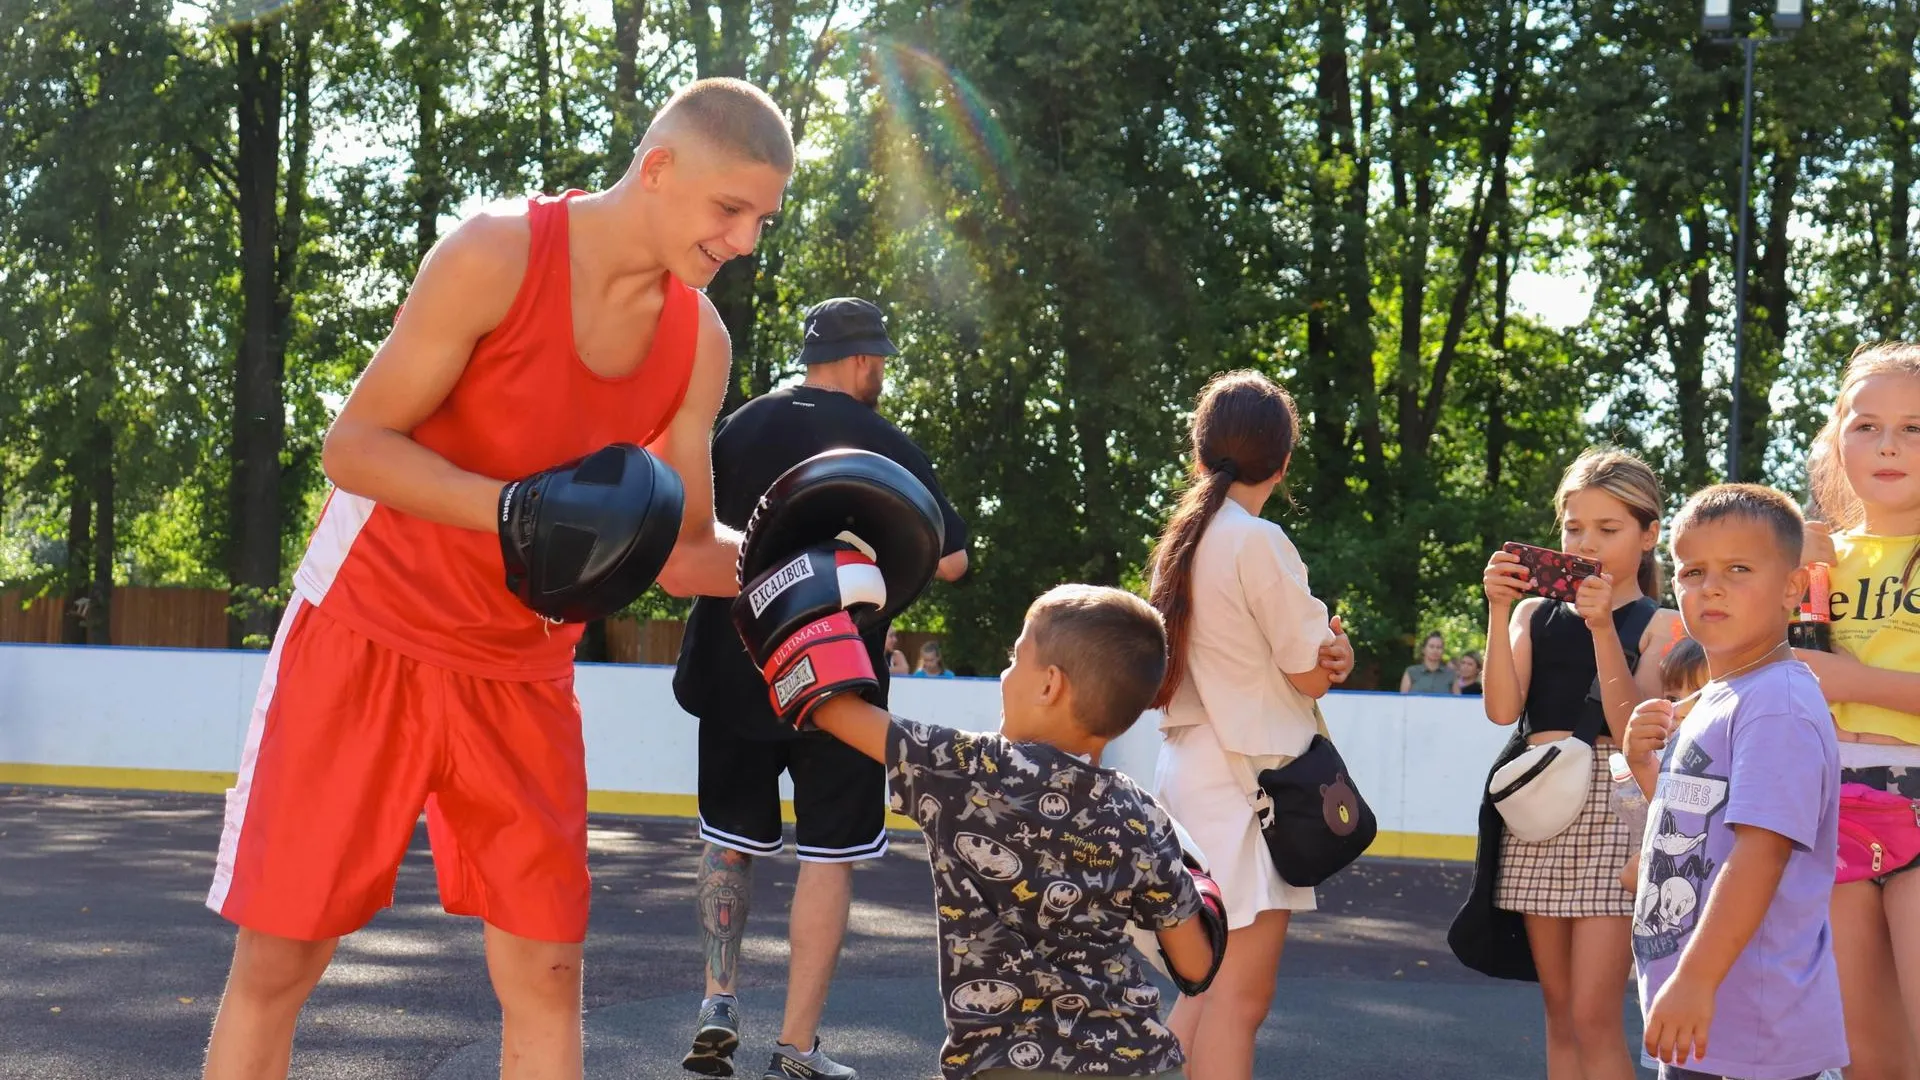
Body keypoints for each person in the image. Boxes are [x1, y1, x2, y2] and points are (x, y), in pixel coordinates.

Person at [196, 78, 792, 1080]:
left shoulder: (699, 345)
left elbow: (685, 549)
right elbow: (355, 449)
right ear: (658, 169)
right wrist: (518, 509)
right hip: (368, 633)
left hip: (520, 671)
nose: (743, 240)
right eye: (730, 210)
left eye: (761, 220)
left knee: (549, 969)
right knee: (282, 955)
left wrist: (811, 567)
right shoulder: (496, 253)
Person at [744, 579, 1228, 1079]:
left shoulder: (967, 769)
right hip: (1136, 1062)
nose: (1005, 673)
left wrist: (788, 602)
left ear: (1049, 685)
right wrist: (1198, 890)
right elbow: (1194, 965)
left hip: (1001, 1064)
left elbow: (824, 703)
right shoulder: (1141, 814)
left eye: (1016, 658)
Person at [671, 296, 968, 1079]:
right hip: (838, 682)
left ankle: (718, 1002)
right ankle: (796, 1049)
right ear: (866, 360)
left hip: (737, 664)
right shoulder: (884, 443)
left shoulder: (737, 428)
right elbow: (951, 562)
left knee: (727, 839)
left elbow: (685, 528)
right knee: (828, 857)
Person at [1145, 371, 1355, 1080]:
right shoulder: (1255, 540)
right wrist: (1334, 655)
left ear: (1198, 452)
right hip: (1246, 781)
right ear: (1284, 459)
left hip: (1194, 772)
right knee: (1239, 999)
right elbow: (1306, 671)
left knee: (1203, 994)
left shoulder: (1186, 537)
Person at [1621, 484, 1846, 1080]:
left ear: (1793, 589)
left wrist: (1695, 979)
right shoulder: (1719, 699)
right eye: (1693, 571)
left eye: (1738, 568)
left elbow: (1760, 854)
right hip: (1712, 1021)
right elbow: (1696, 837)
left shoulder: (1777, 704)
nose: (1710, 586)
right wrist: (1649, 770)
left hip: (1750, 1027)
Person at [1471, 447, 1682, 1080]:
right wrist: (1499, 609)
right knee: (1559, 1013)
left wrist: (1600, 629)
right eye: (1573, 526)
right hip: (1537, 811)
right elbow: (1502, 709)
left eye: (1608, 528)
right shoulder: (1535, 614)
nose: (1585, 541)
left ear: (1649, 536)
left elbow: (1630, 729)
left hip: (1615, 807)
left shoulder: (1661, 624)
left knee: (1595, 1016)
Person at [1800, 342, 1920, 1080]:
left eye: (1915, 427)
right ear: (1836, 435)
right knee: (1864, 1058)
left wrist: (1849, 678)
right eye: (1866, 424)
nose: (1888, 445)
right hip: (1827, 812)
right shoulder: (1809, 557)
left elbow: (1835, 679)